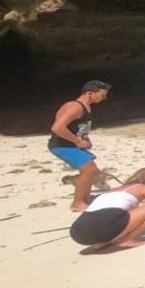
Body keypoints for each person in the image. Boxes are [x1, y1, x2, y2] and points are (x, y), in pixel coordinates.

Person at [69, 167, 145, 253]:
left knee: (116, 217)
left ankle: (103, 242)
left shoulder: (116, 189)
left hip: (77, 232)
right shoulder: (142, 187)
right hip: (102, 226)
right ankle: (126, 239)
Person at [48, 79, 111, 212]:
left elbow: (78, 128)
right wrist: (78, 141)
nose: (105, 98)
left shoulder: (86, 107)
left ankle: (83, 195)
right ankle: (78, 203)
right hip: (62, 145)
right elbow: (57, 127)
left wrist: (85, 139)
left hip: (71, 145)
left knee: (92, 171)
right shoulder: (75, 106)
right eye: (102, 95)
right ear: (90, 93)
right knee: (89, 170)